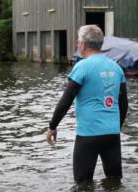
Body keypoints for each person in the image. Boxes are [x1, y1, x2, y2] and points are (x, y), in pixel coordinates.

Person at [46, 25, 128, 183]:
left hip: (88, 135)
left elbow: (66, 101)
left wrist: (52, 126)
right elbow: (124, 104)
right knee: (114, 181)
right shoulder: (117, 68)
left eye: (78, 42)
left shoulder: (82, 67)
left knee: (82, 186)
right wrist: (116, 128)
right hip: (112, 135)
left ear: (83, 44)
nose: (77, 45)